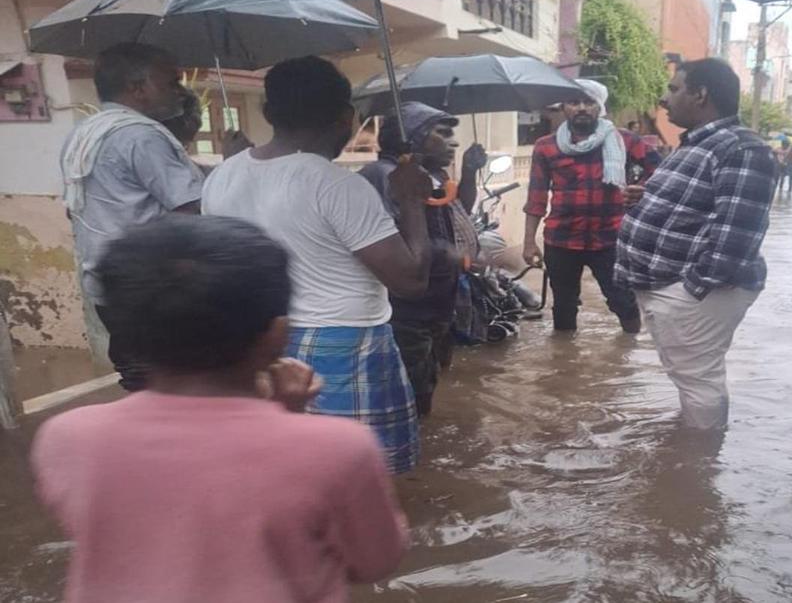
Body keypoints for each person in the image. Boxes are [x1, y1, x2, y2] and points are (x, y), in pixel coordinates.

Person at [31, 216, 409, 603]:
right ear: (277, 333)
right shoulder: (339, 447)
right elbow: (374, 562)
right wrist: (290, 420)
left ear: (123, 329)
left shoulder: (67, 437)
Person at [202, 56, 431, 474]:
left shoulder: (222, 175)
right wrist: (413, 201)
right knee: (355, 480)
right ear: (346, 117)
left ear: (269, 114)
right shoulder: (338, 185)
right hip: (343, 344)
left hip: (258, 342)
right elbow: (411, 280)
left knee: (281, 471)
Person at [615, 58, 775, 430]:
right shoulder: (698, 145)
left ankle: (697, 469)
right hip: (672, 288)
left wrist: (690, 291)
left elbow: (736, 237)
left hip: (693, 291)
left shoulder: (741, 150)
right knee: (690, 379)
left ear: (700, 95)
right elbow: (700, 207)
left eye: (674, 89)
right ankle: (690, 454)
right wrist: (648, 198)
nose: (664, 99)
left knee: (698, 381)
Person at [59, 42, 202, 392]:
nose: (178, 92)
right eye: (170, 82)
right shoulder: (141, 136)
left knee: (140, 373)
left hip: (108, 280)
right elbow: (190, 211)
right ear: (138, 88)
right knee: (177, 377)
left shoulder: (84, 133)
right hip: (156, 284)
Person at [359, 103, 487, 417]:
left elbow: (459, 209)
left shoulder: (425, 175)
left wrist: (469, 171)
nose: (453, 142)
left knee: (430, 379)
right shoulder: (384, 176)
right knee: (414, 394)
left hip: (435, 301)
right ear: (411, 137)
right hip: (405, 308)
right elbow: (394, 241)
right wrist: (449, 253)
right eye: (442, 134)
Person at [523, 79, 657, 333]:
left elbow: (663, 171)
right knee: (563, 306)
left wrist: (643, 190)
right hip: (561, 239)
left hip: (611, 239)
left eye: (589, 102)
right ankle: (564, 364)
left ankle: (628, 355)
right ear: (564, 108)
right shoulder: (546, 147)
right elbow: (536, 198)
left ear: (600, 107)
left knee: (623, 302)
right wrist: (529, 242)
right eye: (574, 102)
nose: (582, 108)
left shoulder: (624, 141)